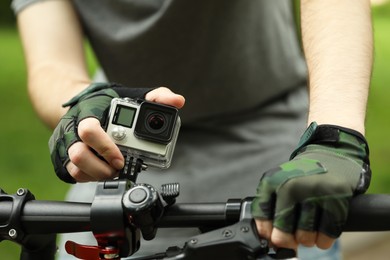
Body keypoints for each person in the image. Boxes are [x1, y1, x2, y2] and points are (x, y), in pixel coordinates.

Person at [11, 0, 373, 259]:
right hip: (117, 172)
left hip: (278, 165)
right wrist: (81, 107)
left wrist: (332, 138)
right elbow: (50, 65)